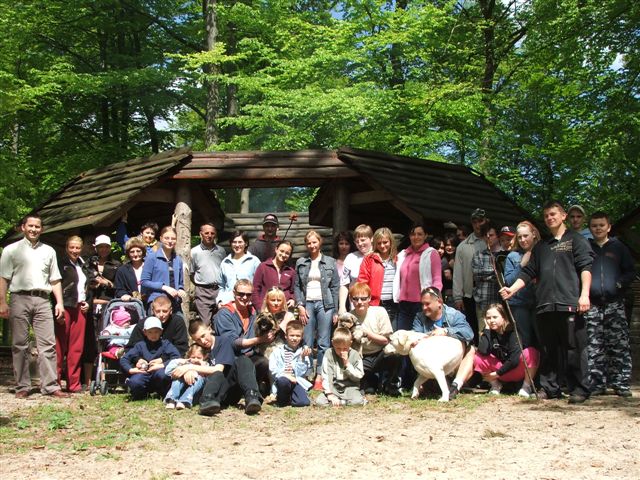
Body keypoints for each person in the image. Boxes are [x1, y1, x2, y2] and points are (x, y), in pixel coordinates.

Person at [500, 200, 594, 404]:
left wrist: (584, 294)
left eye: (553, 214)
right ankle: (551, 388)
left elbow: (586, 267)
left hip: (570, 303)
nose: (550, 218)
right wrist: (512, 289)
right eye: (546, 216)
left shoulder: (576, 240)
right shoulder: (542, 246)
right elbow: (528, 272)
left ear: (563, 216)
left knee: (574, 348)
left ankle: (579, 389)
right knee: (549, 350)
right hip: (544, 305)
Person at [0, 215, 68, 398]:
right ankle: (23, 386)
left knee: (48, 344)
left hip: (43, 300)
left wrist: (59, 303)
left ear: (41, 229)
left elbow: (55, 279)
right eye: (30, 226)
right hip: (19, 298)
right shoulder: (11, 250)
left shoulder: (49, 251)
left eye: (37, 227)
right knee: (19, 344)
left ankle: (51, 386)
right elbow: (3, 278)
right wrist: (2, 302)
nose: (34, 229)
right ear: (23, 227)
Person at [584, 211, 635, 397]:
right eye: (594, 225)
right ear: (590, 228)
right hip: (592, 304)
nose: (598, 228)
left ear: (609, 227)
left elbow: (630, 272)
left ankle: (621, 383)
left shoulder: (619, 247)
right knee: (594, 346)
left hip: (615, 303)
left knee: (618, 345)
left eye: (601, 225)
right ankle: (597, 383)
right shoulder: (586, 248)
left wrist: (619, 284)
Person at [294, 230, 340, 390]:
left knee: (323, 342)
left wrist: (335, 311)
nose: (312, 245)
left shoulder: (330, 262)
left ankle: (320, 375)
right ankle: (306, 374)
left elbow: (335, 287)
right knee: (306, 341)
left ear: (320, 242)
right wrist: (300, 305)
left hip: (325, 305)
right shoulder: (301, 262)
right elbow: (297, 286)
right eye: (309, 243)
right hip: (307, 304)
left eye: (314, 242)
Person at [187, 320, 263, 415]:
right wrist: (189, 370)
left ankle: (252, 396)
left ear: (209, 329)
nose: (202, 341)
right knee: (216, 374)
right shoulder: (198, 348)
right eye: (198, 340)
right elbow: (186, 361)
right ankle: (206, 402)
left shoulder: (223, 341)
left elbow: (218, 369)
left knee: (243, 360)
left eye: (203, 336)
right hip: (207, 391)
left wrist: (190, 367)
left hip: (227, 389)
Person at [412, 287, 475, 399]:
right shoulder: (419, 318)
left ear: (439, 302)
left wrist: (446, 331)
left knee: (471, 350)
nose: (424, 308)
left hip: (454, 361)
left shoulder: (454, 315)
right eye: (422, 304)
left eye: (427, 304)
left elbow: (469, 333)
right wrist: (431, 335)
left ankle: (455, 386)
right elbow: (415, 338)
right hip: (432, 364)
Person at [215, 279, 273, 396]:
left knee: (264, 362)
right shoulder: (224, 314)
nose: (245, 297)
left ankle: (251, 389)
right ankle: (246, 392)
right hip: (231, 359)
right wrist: (261, 339)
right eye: (241, 294)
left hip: (250, 357)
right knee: (243, 363)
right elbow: (233, 343)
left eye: (248, 294)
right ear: (234, 293)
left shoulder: (253, 313)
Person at [474, 303, 540, 397]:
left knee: (531, 352)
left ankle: (526, 387)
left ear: (503, 317)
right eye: (488, 318)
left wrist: (497, 373)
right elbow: (483, 351)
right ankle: (495, 385)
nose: (491, 320)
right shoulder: (488, 332)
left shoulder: (513, 332)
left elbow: (514, 360)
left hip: (514, 370)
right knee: (478, 357)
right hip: (499, 373)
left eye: (495, 317)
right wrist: (487, 329)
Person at [348, 282, 400, 396]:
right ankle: (371, 383)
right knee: (368, 390)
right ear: (351, 299)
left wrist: (366, 333)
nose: (360, 302)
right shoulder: (348, 317)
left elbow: (386, 340)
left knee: (394, 353)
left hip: (380, 353)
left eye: (363, 298)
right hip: (361, 357)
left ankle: (389, 383)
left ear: (369, 298)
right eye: (356, 299)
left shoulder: (379, 312)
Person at [55, 235, 90, 393]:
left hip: (80, 308)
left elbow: (88, 286)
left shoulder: (84, 264)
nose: (75, 250)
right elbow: (55, 285)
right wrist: (58, 305)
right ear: (66, 248)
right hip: (65, 307)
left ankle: (73, 383)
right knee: (59, 345)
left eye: (78, 248)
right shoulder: (60, 264)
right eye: (72, 247)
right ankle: (54, 383)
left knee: (77, 347)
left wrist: (88, 301)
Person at [120, 316, 180, 400]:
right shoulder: (140, 345)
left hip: (158, 372)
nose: (153, 335)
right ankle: (141, 394)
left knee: (163, 375)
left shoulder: (166, 344)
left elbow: (177, 357)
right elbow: (124, 359)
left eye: (156, 332)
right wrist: (131, 370)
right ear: (145, 332)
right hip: (143, 373)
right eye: (150, 332)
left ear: (161, 331)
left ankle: (163, 393)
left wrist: (162, 364)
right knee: (135, 381)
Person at [452, 208, 490, 344]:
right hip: (470, 295)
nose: (478, 224)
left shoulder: (493, 241)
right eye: (474, 222)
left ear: (486, 221)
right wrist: (457, 296)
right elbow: (457, 273)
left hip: (492, 293)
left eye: (480, 221)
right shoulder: (463, 246)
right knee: (474, 330)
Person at [503, 221, 541, 348]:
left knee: (542, 338)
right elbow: (508, 281)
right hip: (520, 304)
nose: (523, 240)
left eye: (525, 236)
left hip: (539, 302)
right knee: (525, 340)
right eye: (519, 237)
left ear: (534, 234)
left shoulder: (543, 252)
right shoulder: (512, 256)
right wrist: (521, 265)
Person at [357, 227, 398, 327]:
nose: (382, 246)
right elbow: (362, 283)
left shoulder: (397, 258)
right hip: (375, 304)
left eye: (385, 242)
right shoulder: (369, 259)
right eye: (379, 243)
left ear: (391, 242)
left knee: (391, 333)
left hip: (393, 304)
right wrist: (364, 301)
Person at [141, 226, 186, 316]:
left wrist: (181, 289)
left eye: (173, 238)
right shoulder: (152, 258)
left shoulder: (178, 260)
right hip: (157, 303)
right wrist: (164, 287)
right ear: (161, 239)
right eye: (167, 238)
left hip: (174, 302)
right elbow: (144, 281)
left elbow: (180, 283)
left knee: (181, 323)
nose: (170, 241)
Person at [315, 327, 366, 407]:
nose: (342, 351)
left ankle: (341, 402)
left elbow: (359, 376)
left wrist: (347, 363)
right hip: (334, 388)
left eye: (345, 348)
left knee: (357, 401)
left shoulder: (355, 355)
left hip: (350, 388)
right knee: (320, 402)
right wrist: (330, 394)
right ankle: (342, 402)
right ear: (333, 343)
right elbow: (326, 375)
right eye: (338, 348)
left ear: (350, 343)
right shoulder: (329, 353)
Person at [268, 321, 313, 407]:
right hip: (282, 380)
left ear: (301, 337)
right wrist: (286, 375)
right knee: (283, 381)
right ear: (286, 336)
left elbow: (300, 374)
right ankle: (282, 399)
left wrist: (302, 358)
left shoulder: (302, 352)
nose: (295, 338)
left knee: (303, 402)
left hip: (296, 381)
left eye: (298, 336)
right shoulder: (277, 351)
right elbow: (272, 370)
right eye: (292, 335)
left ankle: (291, 397)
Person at [190, 223, 226, 325]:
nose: (209, 235)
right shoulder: (194, 252)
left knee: (220, 321)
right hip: (203, 291)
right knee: (205, 322)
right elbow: (191, 273)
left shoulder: (221, 251)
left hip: (219, 290)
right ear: (201, 234)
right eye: (206, 233)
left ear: (215, 235)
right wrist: (200, 283)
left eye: (212, 233)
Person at [337, 224, 373, 314]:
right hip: (356, 306)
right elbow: (344, 284)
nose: (360, 243)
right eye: (357, 241)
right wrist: (342, 306)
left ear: (371, 239)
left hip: (375, 305)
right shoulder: (351, 257)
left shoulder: (378, 255)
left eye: (363, 240)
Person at [471, 223, 501, 329]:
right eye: (486, 236)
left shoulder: (503, 254)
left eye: (491, 235)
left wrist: (486, 275)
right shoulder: (479, 255)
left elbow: (504, 277)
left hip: (500, 301)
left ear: (497, 236)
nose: (488, 238)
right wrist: (495, 272)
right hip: (482, 301)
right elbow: (477, 275)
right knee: (483, 332)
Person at [218, 230, 260, 304]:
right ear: (231, 243)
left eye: (240, 242)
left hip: (248, 303)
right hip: (229, 303)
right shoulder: (225, 263)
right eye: (234, 242)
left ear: (246, 243)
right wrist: (220, 300)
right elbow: (221, 286)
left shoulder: (254, 261)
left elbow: (260, 284)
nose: (237, 245)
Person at [252, 240, 296, 311]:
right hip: (266, 309)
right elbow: (255, 289)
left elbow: (293, 290)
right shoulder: (263, 267)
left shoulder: (291, 271)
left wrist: (292, 299)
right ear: (276, 250)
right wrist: (259, 308)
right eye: (281, 251)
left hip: (284, 309)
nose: (284, 255)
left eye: (287, 253)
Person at [164, 344, 209, 410]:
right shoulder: (185, 364)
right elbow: (167, 371)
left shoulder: (205, 365)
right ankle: (172, 399)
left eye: (199, 358)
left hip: (193, 393)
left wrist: (201, 365)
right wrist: (178, 362)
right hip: (181, 389)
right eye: (193, 357)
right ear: (189, 356)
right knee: (178, 377)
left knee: (199, 378)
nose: (196, 360)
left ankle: (184, 401)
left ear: (204, 357)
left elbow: (207, 375)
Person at [114, 237, 146, 303]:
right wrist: (124, 295)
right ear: (128, 253)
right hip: (130, 303)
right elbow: (119, 289)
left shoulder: (150, 267)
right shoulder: (122, 270)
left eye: (138, 251)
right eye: (132, 252)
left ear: (143, 252)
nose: (135, 254)